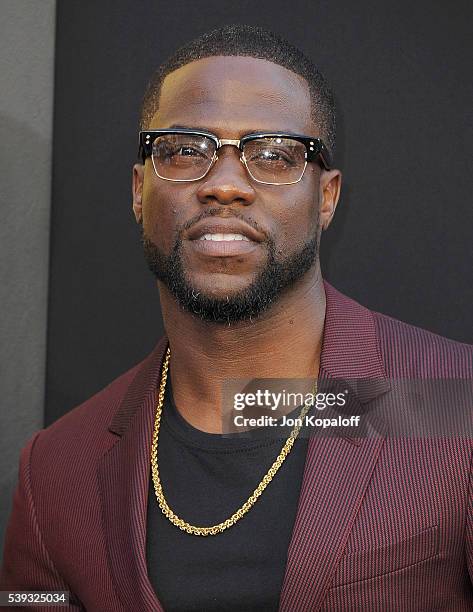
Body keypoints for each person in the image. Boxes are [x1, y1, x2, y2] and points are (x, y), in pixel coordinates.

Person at [1, 24, 472, 612]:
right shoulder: (57, 466)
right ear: (138, 190)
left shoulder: (450, 403)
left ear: (326, 198)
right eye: (185, 151)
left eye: (273, 155)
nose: (225, 185)